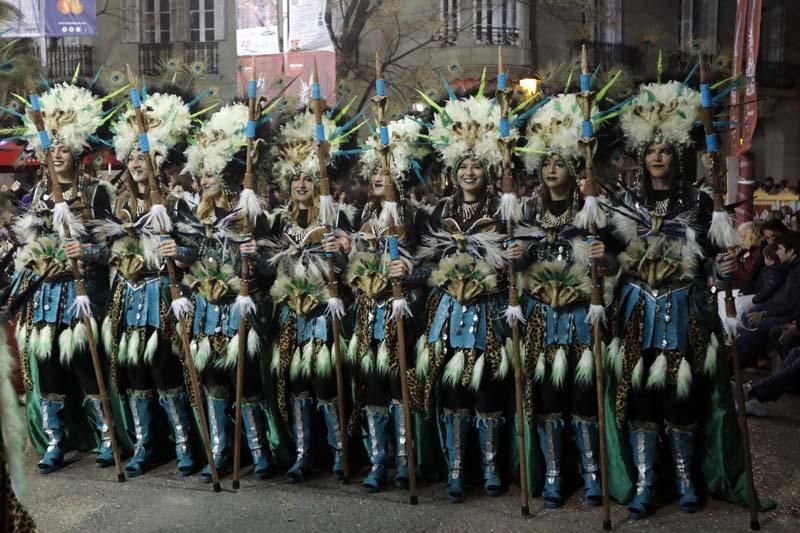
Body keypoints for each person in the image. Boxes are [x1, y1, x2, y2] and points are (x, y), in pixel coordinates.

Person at [608, 79, 737, 518]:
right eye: (650, 151)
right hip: (636, 311)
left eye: (664, 150)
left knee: (683, 399)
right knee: (642, 397)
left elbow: (716, 259)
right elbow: (607, 254)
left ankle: (687, 480)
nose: (657, 157)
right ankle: (646, 482)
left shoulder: (702, 203)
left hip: (685, 309)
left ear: (677, 154)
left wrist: (725, 269)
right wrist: (596, 255)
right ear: (641, 157)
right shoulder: (625, 203)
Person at [416, 86, 523, 503]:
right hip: (447, 313)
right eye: (464, 165)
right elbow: (424, 264)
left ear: (489, 171)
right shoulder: (438, 213)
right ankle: (457, 469)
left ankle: (493, 467)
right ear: (453, 171)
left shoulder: (505, 210)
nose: (470, 172)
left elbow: (516, 260)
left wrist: (516, 254)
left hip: (490, 314)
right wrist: (429, 275)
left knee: (488, 390)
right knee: (454, 391)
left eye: (478, 165)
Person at [11, 81, 117, 473]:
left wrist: (83, 250)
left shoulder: (96, 194)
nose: (57, 154)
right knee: (50, 367)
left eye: (64, 147)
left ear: (79, 152)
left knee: (85, 367)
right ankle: (55, 442)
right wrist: (37, 256)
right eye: (51, 147)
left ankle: (107, 437)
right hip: (45, 295)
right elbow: (30, 241)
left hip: (83, 294)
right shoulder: (37, 192)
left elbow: (113, 249)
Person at [518, 92, 613, 508]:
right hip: (541, 320)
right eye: (547, 164)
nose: (552, 169)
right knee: (546, 400)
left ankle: (592, 475)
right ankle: (554, 474)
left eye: (560, 163)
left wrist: (603, 257)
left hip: (579, 319)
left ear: (574, 170)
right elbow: (512, 268)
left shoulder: (593, 213)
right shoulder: (524, 213)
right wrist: (514, 259)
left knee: (582, 398)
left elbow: (616, 261)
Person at [100, 89, 199, 477]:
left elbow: (195, 249)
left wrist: (178, 251)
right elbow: (104, 249)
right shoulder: (118, 205)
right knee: (135, 373)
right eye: (132, 157)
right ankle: (144, 445)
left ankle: (185, 445)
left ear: (157, 161)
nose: (137, 162)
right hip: (128, 296)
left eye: (144, 156)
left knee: (164, 371)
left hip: (162, 294)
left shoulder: (175, 204)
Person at [181, 103, 275, 482]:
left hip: (241, 313)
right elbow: (189, 260)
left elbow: (270, 270)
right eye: (201, 174)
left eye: (210, 173)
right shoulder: (195, 219)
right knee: (215, 385)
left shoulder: (252, 215)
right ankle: (220, 452)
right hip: (207, 313)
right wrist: (180, 255)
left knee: (246, 384)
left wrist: (255, 256)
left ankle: (258, 451)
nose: (202, 179)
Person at [266, 106, 356, 483]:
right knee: (296, 386)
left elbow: (355, 266)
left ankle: (339, 452)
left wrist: (347, 250)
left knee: (325, 384)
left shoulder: (339, 216)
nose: (301, 184)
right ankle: (302, 453)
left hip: (324, 315)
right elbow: (264, 268)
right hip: (290, 315)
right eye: (295, 178)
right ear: (287, 183)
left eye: (307, 177)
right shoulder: (276, 220)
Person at [347, 116, 430, 491]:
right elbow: (354, 265)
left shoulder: (418, 216)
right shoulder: (363, 214)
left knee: (400, 386)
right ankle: (377, 461)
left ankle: (404, 460)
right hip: (369, 311)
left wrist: (409, 270)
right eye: (375, 169)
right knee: (374, 386)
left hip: (403, 310)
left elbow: (436, 267)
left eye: (387, 168)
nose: (379, 175)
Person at [738, 232, 800, 368]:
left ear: (791, 252)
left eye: (780, 249)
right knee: (750, 316)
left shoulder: (796, 270)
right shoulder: (791, 267)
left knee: (756, 325)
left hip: (790, 315)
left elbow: (792, 306)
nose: (777, 253)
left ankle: (738, 364)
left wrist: (765, 314)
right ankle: (742, 360)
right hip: (785, 310)